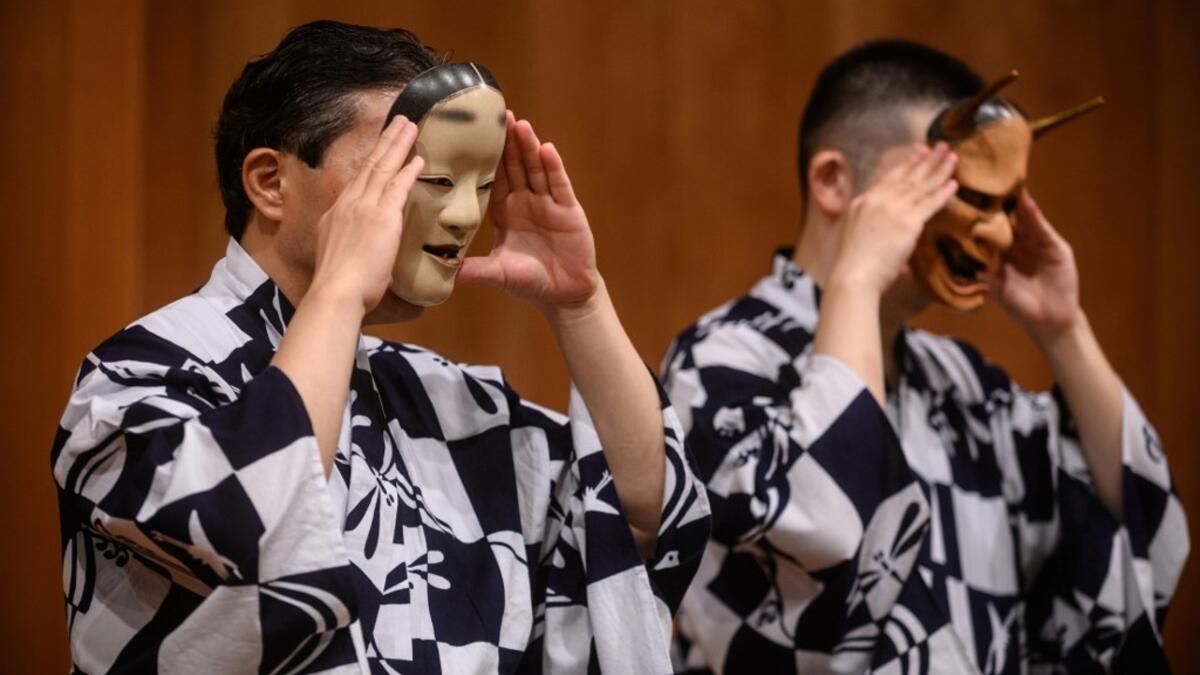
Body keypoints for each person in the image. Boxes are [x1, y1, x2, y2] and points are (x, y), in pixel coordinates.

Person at [52, 20, 708, 674]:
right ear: (270, 181)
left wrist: (582, 305)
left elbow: (641, 518)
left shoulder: (451, 399)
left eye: (478, 185)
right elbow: (251, 518)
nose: (462, 216)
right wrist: (338, 291)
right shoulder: (139, 372)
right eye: (414, 174)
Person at [663, 39, 1187, 674]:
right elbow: (824, 525)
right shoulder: (721, 358)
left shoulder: (965, 381)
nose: (994, 231)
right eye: (952, 185)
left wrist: (1065, 331)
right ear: (834, 180)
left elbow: (1141, 527)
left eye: (1008, 206)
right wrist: (857, 279)